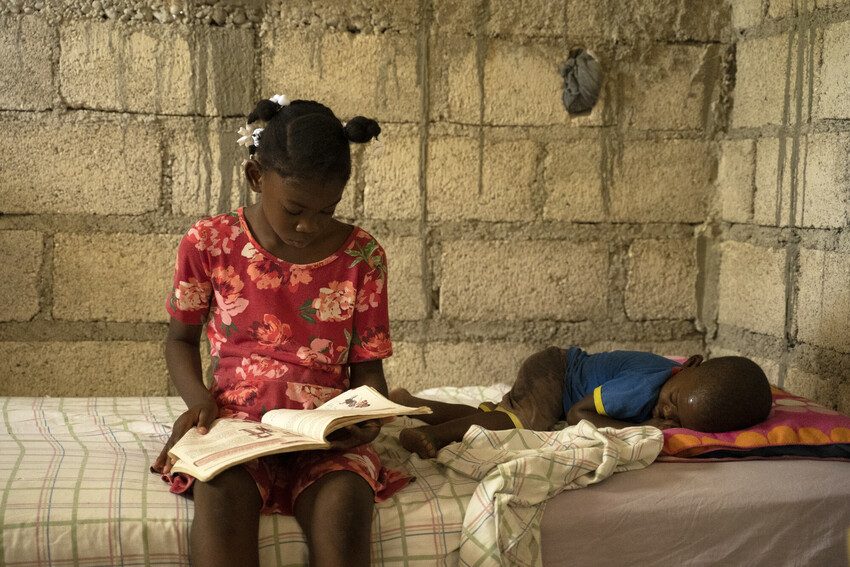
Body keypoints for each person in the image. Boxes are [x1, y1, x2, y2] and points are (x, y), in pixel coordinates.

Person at [151, 94, 402, 567]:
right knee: (220, 496)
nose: (309, 225)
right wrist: (200, 401)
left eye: (326, 211)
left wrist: (366, 419)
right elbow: (179, 339)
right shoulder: (209, 243)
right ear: (255, 177)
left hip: (324, 436)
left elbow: (368, 370)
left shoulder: (363, 256)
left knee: (345, 509)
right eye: (295, 209)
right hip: (236, 424)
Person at [390, 347, 773, 459]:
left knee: (502, 415)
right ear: (688, 364)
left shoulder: (675, 384)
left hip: (557, 375)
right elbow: (578, 414)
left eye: (680, 419)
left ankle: (410, 405)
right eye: (672, 402)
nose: (666, 413)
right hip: (555, 373)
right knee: (528, 424)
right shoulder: (645, 387)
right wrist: (642, 428)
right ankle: (437, 437)